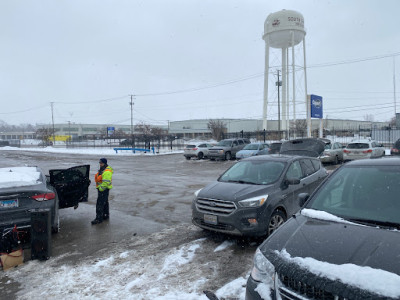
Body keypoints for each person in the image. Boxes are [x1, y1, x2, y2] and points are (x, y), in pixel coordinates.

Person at [91, 158, 113, 225]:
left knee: (99, 204)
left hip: (103, 190)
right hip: (103, 189)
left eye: (101, 163)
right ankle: (105, 215)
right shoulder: (103, 170)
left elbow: (106, 182)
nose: (100, 164)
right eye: (100, 163)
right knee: (105, 202)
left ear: (105, 163)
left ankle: (98, 219)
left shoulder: (106, 171)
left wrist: (101, 188)